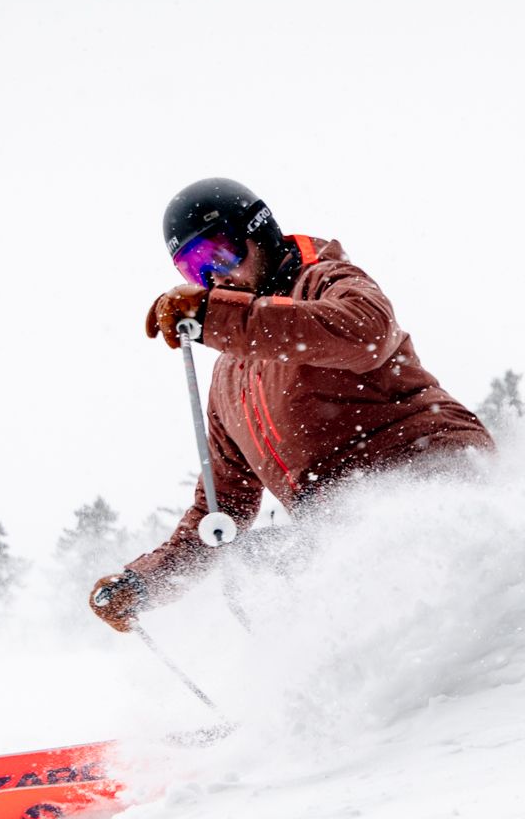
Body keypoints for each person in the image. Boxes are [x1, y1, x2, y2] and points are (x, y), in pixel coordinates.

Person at [90, 178, 494, 632]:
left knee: (333, 561)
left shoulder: (324, 281)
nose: (216, 277)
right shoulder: (230, 378)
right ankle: (356, 693)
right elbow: (220, 513)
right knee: (255, 572)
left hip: (427, 474)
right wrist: (144, 583)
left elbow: (366, 333)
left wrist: (215, 315)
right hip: (345, 524)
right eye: (195, 271)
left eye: (221, 254)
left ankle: (477, 643)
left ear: (258, 231)